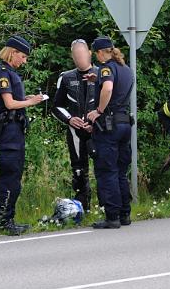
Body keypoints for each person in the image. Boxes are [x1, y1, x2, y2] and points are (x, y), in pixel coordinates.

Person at [0, 35, 44, 235]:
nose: (25, 60)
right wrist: (31, 102)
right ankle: (4, 221)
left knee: (15, 177)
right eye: (22, 56)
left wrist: (26, 98)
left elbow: (15, 99)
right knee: (9, 177)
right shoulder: (2, 73)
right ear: (12, 53)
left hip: (16, 133)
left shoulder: (11, 73)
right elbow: (9, 104)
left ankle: (9, 218)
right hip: (8, 135)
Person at [86, 37, 134, 229]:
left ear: (100, 53)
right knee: (121, 171)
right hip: (124, 124)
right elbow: (116, 86)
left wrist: (98, 111)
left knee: (108, 171)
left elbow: (108, 88)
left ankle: (112, 216)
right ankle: (125, 214)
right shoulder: (126, 69)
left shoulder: (106, 67)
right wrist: (96, 78)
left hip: (109, 126)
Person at [52, 39, 98, 212]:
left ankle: (109, 208)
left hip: (97, 130)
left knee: (104, 167)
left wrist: (96, 122)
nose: (79, 58)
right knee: (79, 171)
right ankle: (83, 209)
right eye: (76, 56)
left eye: (82, 54)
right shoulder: (66, 77)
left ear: (89, 53)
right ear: (72, 57)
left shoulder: (101, 74)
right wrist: (70, 119)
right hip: (75, 132)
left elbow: (110, 105)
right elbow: (56, 106)